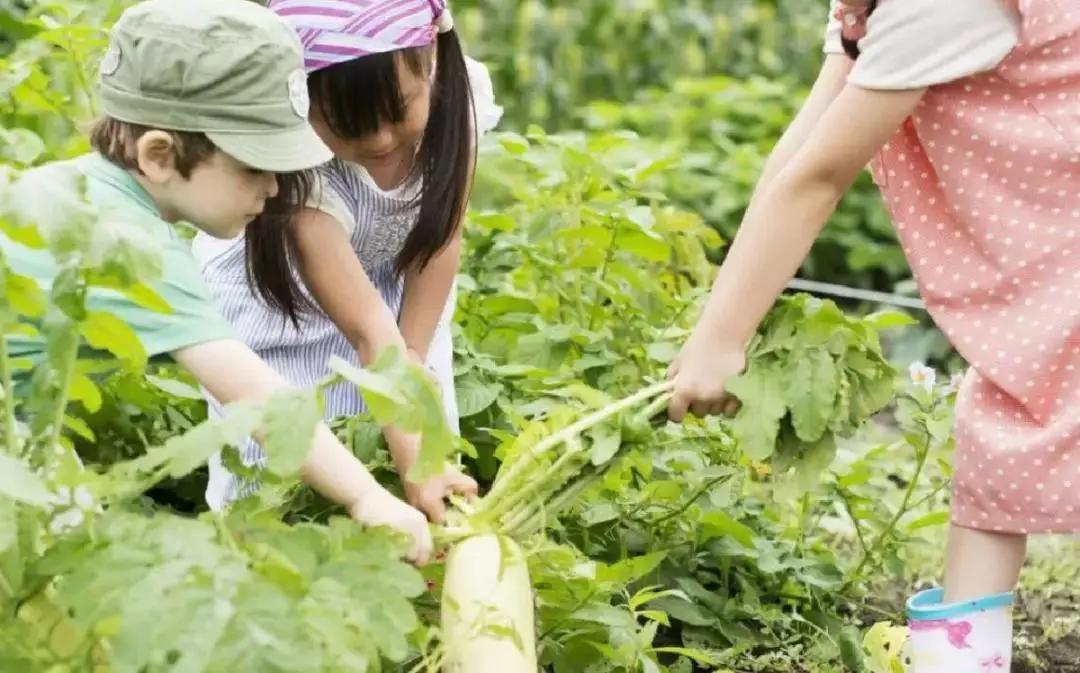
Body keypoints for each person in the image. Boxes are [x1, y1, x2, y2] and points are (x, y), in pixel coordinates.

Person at [667, 1, 1078, 669]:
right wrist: (721, 319)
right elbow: (802, 150)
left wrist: (721, 339)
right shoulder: (870, 10)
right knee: (1001, 430)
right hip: (1052, 237)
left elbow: (820, 178)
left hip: (1060, 229)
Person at [0, 0, 433, 565]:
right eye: (256, 168)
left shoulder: (68, 191)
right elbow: (255, 396)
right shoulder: (127, 240)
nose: (275, 190)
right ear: (159, 155)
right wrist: (368, 498)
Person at [193, 0, 502, 522]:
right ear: (299, 101)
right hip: (283, 310)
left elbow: (439, 241)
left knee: (418, 426)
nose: (379, 138)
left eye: (397, 109)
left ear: (428, 60)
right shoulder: (298, 169)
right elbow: (366, 332)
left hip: (390, 286)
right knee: (281, 468)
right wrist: (401, 388)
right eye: (345, 124)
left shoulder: (454, 102)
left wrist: (414, 355)